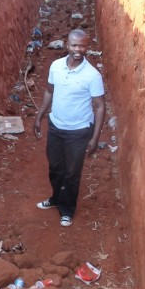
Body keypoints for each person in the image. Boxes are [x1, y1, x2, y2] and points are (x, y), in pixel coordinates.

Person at [33, 29, 105, 227]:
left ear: (87, 47)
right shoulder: (56, 66)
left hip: (79, 132)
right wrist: (39, 117)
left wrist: (95, 138)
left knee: (72, 173)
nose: (78, 49)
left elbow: (100, 107)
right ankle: (56, 198)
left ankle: (67, 209)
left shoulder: (92, 75)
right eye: (74, 45)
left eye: (82, 46)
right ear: (67, 45)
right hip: (56, 126)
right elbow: (49, 91)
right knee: (56, 168)